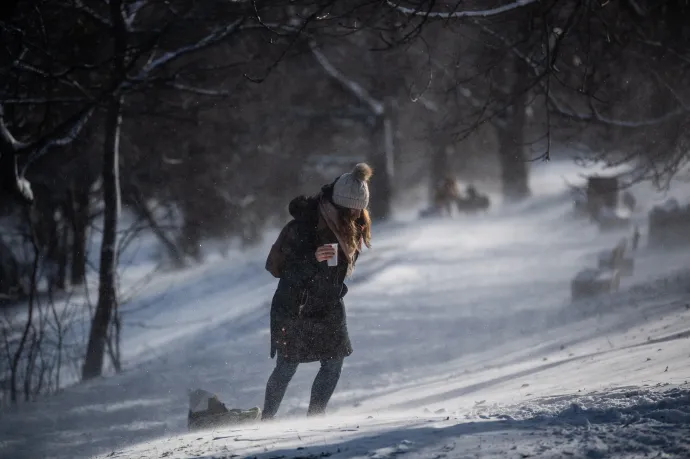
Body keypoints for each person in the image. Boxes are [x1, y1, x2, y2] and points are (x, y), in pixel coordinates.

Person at [261, 163, 373, 420]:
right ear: (337, 204)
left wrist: (336, 287)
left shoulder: (352, 225)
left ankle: (316, 417)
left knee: (334, 361)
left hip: (329, 304)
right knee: (287, 365)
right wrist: (312, 257)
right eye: (351, 208)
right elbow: (277, 268)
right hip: (295, 305)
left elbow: (338, 270)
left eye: (360, 207)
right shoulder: (303, 226)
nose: (356, 213)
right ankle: (265, 420)